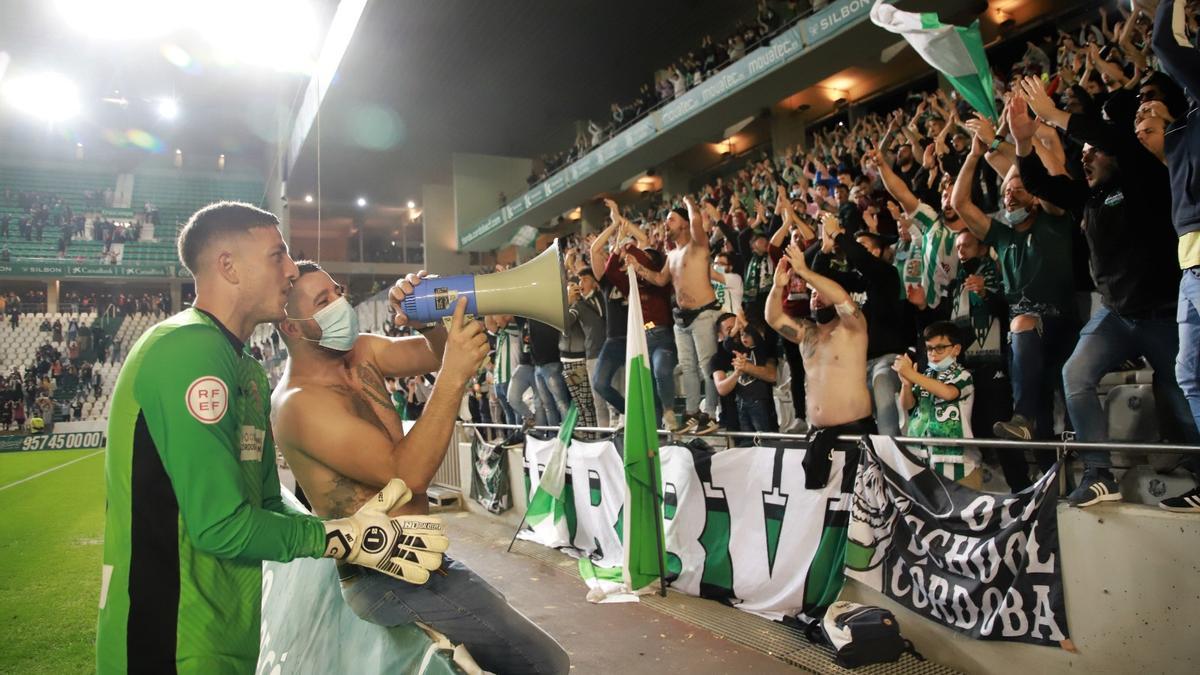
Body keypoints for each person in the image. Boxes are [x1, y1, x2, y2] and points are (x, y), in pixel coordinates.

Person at [96, 202, 447, 673]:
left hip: (228, 637)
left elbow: (266, 501)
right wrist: (347, 538)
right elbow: (221, 526)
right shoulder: (187, 348)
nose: (289, 270)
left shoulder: (245, 369)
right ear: (228, 266)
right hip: (168, 637)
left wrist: (364, 530)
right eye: (277, 256)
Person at [271, 263, 569, 674]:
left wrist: (426, 319)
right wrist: (452, 377)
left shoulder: (360, 351)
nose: (340, 303)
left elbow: (435, 353)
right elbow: (406, 476)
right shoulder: (300, 404)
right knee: (545, 663)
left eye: (338, 291)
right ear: (292, 328)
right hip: (382, 579)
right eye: (324, 302)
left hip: (423, 564)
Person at [953, 103, 1079, 450]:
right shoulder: (1002, 235)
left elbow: (1052, 182)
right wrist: (974, 155)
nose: (1009, 196)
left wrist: (1015, 141)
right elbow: (960, 203)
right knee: (1037, 404)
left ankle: (1034, 426)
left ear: (1036, 196)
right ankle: (1040, 461)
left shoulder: (1054, 219)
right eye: (1006, 192)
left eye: (1019, 189)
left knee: (1064, 398)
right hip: (1020, 335)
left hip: (1059, 323)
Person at [766, 241, 875, 483]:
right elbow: (773, 317)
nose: (816, 298)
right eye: (812, 294)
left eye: (821, 293)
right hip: (816, 435)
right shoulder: (807, 334)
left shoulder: (853, 328)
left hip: (854, 432)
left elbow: (842, 297)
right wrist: (777, 286)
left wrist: (804, 272)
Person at [629, 197, 720, 434]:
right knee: (689, 367)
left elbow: (698, 222)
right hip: (682, 319)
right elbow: (660, 280)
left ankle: (710, 414)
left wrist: (690, 203)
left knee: (707, 366)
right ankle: (691, 413)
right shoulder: (671, 255)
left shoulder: (698, 245)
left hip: (703, 314)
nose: (666, 224)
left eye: (671, 219)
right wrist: (637, 267)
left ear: (684, 224)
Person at [894, 322, 980, 487]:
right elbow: (907, 405)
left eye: (940, 348)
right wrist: (906, 383)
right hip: (924, 460)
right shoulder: (926, 376)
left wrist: (911, 374)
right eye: (929, 348)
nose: (933, 354)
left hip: (959, 465)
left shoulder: (963, 375)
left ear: (956, 349)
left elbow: (947, 393)